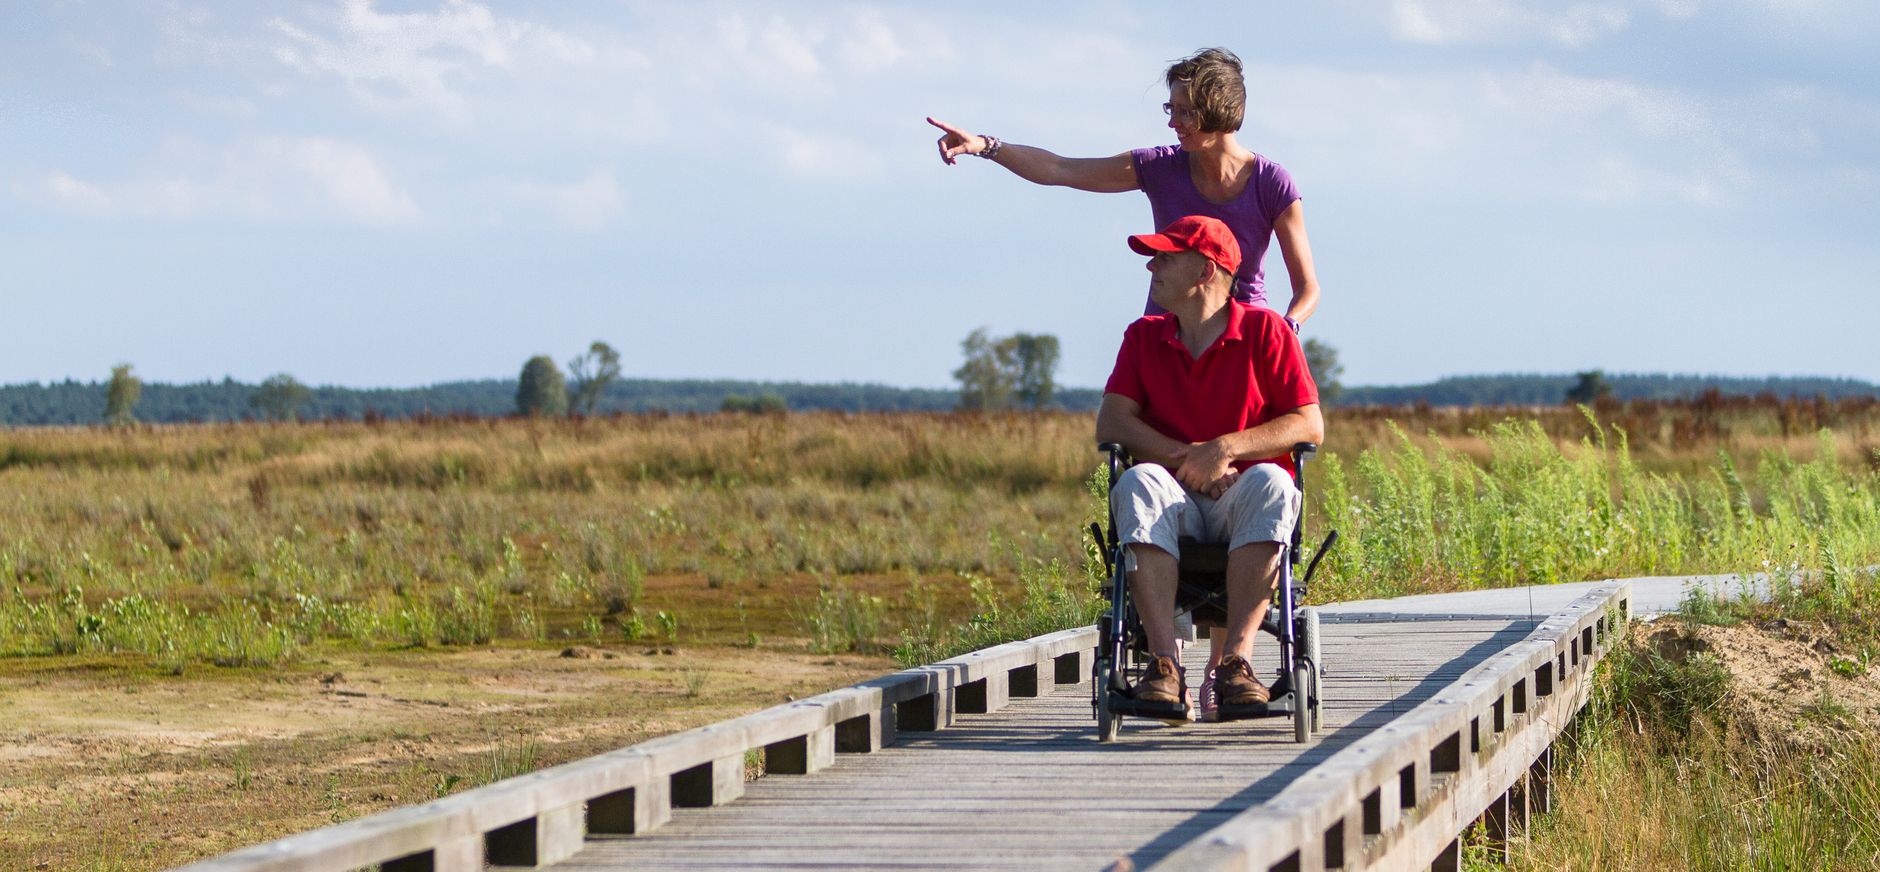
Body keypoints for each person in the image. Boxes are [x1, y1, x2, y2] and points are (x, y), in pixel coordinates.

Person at [1096, 214, 1322, 716]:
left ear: (1205, 270)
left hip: (1239, 496)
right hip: (1172, 496)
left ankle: (1236, 663)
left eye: (1165, 257)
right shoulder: (1143, 335)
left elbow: (1308, 424)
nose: (1152, 266)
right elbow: (1112, 422)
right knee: (1137, 480)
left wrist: (1225, 450)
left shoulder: (1267, 331)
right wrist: (1190, 459)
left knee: (1273, 482)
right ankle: (1163, 665)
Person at [928, 47, 1321, 331]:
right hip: (1166, 332)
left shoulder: (1273, 183)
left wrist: (1287, 327)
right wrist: (986, 146)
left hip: (1246, 336)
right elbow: (1061, 168)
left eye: (1186, 112)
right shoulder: (1157, 167)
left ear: (1219, 111)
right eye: (1171, 110)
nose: (1174, 123)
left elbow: (1307, 289)